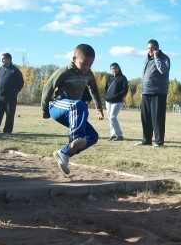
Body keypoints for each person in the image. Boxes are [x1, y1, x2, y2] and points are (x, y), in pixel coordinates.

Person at [41, 44, 104, 175]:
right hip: (57, 106)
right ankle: (75, 138)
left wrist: (99, 108)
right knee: (79, 105)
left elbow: (94, 91)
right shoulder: (64, 71)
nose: (87, 68)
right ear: (74, 59)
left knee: (93, 136)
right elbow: (48, 88)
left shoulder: (89, 74)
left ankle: (64, 153)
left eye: (90, 65)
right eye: (84, 64)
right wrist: (45, 110)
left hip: (73, 112)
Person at [137, 39, 170, 147]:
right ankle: (146, 140)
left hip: (158, 92)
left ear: (157, 48)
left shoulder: (164, 58)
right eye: (148, 48)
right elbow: (143, 75)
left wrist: (156, 58)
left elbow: (163, 70)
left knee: (157, 118)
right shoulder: (147, 59)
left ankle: (159, 141)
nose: (150, 50)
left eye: (152, 48)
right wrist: (142, 90)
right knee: (145, 117)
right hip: (146, 92)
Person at [0, 53, 24, 135]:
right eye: (2, 59)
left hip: (10, 97)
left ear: (9, 59)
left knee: (9, 115)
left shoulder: (15, 71)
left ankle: (7, 131)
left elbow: (21, 83)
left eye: (4, 59)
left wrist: (14, 92)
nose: (2, 60)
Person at [105, 62, 128, 141]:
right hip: (108, 101)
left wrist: (116, 96)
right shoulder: (109, 78)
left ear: (118, 68)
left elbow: (125, 90)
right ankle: (113, 134)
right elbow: (106, 88)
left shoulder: (122, 78)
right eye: (112, 68)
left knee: (112, 117)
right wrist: (106, 96)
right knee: (110, 118)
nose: (114, 70)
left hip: (117, 101)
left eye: (115, 68)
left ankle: (119, 135)